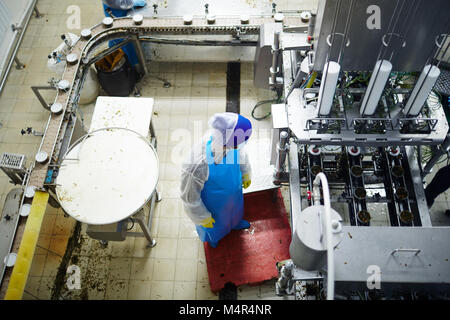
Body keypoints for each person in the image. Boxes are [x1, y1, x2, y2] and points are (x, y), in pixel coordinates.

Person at [180, 113, 253, 248]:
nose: (241, 146)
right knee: (216, 225)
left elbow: (241, 153)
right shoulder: (197, 163)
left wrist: (246, 172)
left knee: (234, 212)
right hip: (214, 205)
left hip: (234, 195)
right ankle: (214, 237)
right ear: (228, 142)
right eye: (239, 143)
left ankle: (236, 223)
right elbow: (189, 198)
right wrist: (202, 217)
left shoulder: (229, 143)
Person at [101, 0, 147, 67]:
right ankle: (130, 66)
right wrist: (132, 3)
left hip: (122, 8)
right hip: (116, 10)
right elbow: (117, 3)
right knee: (124, 39)